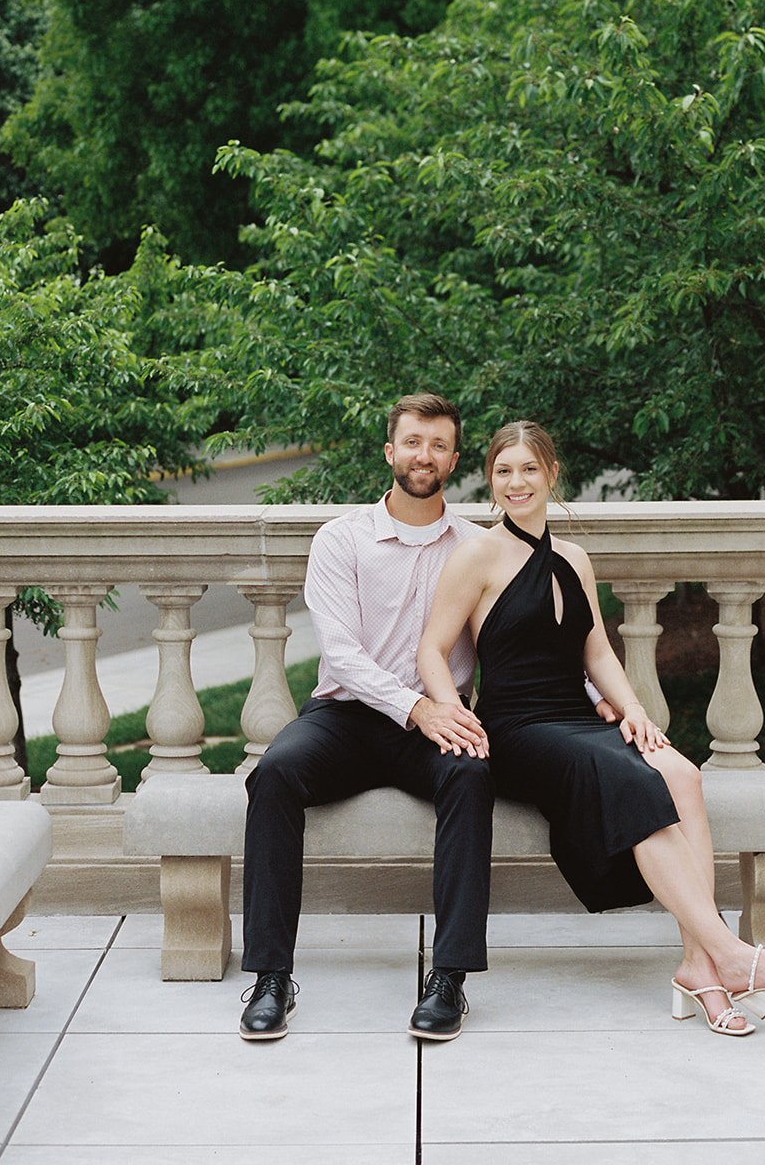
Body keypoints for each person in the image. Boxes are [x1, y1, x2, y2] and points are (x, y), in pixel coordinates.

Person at [417, 419, 765, 1037]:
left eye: (529, 469)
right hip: (520, 730)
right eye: (503, 471)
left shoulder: (574, 558)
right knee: (630, 782)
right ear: (489, 480)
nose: (515, 482)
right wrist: (451, 712)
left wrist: (632, 709)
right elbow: (431, 649)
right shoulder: (475, 554)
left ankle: (697, 968)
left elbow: (597, 651)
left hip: (577, 719)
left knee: (682, 774)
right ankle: (731, 953)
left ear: (552, 474)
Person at [239, 392, 495, 1044]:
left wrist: (595, 690)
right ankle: (270, 977)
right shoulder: (341, 539)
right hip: (347, 718)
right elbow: (343, 655)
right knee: (272, 776)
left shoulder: (476, 546)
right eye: (412, 441)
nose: (424, 455)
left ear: (454, 460)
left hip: (437, 724)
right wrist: (418, 707)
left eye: (438, 445)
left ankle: (449, 979)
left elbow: (519, 639)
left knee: (471, 776)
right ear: (389, 451)